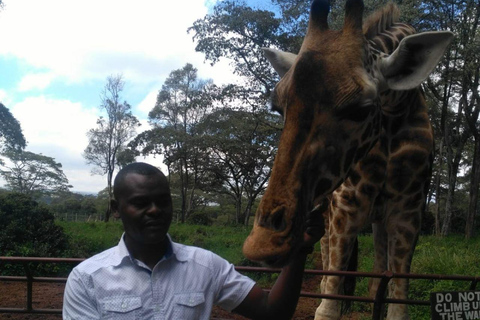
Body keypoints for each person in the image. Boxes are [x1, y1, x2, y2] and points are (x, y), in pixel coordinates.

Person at [63, 162, 324, 320]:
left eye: (163, 201)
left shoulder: (206, 266)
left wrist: (300, 249)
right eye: (140, 203)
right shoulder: (87, 279)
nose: (155, 210)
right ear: (116, 208)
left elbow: (272, 312)